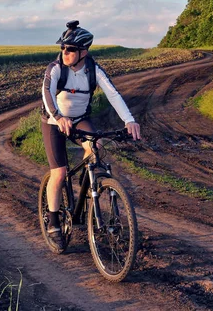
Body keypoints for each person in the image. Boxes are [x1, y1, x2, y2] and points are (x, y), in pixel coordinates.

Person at [41, 20, 141, 251]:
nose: (65, 52)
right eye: (63, 48)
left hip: (79, 120)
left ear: (83, 52)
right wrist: (58, 116)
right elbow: (47, 95)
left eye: (71, 49)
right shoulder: (56, 69)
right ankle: (54, 221)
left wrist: (129, 120)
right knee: (59, 172)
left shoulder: (93, 70)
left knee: (96, 149)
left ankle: (92, 185)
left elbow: (114, 95)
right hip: (54, 121)